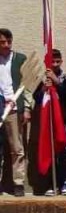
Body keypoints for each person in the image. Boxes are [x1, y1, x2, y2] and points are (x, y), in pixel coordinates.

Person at [29, 49, 66, 196]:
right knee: (50, 152)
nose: (55, 64)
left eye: (58, 61)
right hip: (48, 122)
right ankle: (51, 184)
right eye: (52, 61)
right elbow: (37, 99)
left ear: (61, 61)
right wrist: (45, 87)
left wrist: (57, 83)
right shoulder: (43, 79)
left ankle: (65, 182)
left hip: (63, 122)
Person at [0, 29, 28, 195]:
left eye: (9, 42)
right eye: (2, 42)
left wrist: (27, 108)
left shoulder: (19, 59)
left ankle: (18, 183)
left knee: (16, 148)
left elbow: (28, 85)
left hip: (13, 109)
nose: (6, 45)